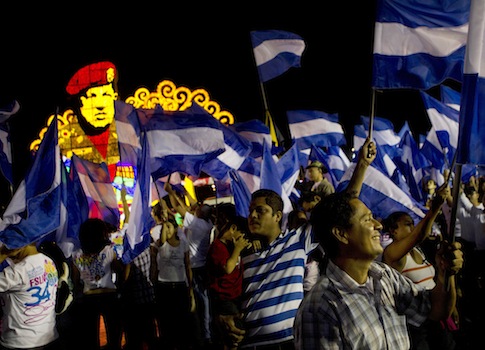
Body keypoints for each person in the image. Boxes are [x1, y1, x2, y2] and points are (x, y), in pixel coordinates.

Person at [293, 154, 464, 349]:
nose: (378, 226)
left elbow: (436, 309)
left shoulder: (386, 278)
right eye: (367, 220)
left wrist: (445, 274)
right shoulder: (319, 308)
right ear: (341, 234)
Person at [221, 137, 377, 349]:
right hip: (253, 345)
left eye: (261, 211)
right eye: (250, 211)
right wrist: (226, 314)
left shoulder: (297, 241)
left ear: (277, 216)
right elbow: (226, 290)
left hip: (292, 343)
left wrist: (362, 165)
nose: (253, 216)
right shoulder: (242, 250)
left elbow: (343, 206)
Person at [382, 182, 458, 350]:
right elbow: (419, 235)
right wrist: (435, 207)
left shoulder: (419, 251)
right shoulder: (392, 254)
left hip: (438, 315)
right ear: (394, 230)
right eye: (408, 224)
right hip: (418, 326)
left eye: (412, 223)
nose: (413, 227)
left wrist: (450, 305)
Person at [165, 182, 214, 347]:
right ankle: (205, 332)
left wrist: (171, 192)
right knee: (203, 300)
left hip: (194, 268)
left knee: (197, 301)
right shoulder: (206, 223)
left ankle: (203, 335)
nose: (195, 207)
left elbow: (179, 209)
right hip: (202, 266)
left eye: (198, 208)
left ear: (200, 214)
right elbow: (193, 204)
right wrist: (184, 190)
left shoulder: (197, 224)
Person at [70, 218, 127, 350]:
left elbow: (75, 280)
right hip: (109, 296)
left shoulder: (77, 254)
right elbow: (119, 270)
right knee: (114, 338)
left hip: (88, 298)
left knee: (90, 340)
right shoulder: (109, 250)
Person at [63, 61, 121, 180]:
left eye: (106, 95)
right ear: (81, 101)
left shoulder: (129, 135)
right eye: (92, 96)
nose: (100, 105)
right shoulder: (63, 142)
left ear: (114, 97)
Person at [206, 205, 252, 350]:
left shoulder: (231, 248)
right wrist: (237, 249)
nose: (242, 240)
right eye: (241, 235)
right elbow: (227, 268)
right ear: (233, 229)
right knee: (232, 337)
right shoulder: (217, 247)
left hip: (236, 298)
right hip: (224, 300)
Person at [0, 242, 61, 350]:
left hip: (20, 342)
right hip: (48, 337)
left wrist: (2, 254)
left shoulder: (17, 272)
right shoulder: (49, 262)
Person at [154, 212, 196, 350]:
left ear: (176, 229)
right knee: (167, 319)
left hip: (179, 286)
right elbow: (161, 242)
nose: (167, 230)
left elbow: (187, 265)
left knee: (181, 318)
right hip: (164, 286)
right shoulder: (160, 244)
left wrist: (190, 288)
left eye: (170, 227)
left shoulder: (183, 244)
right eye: (165, 228)